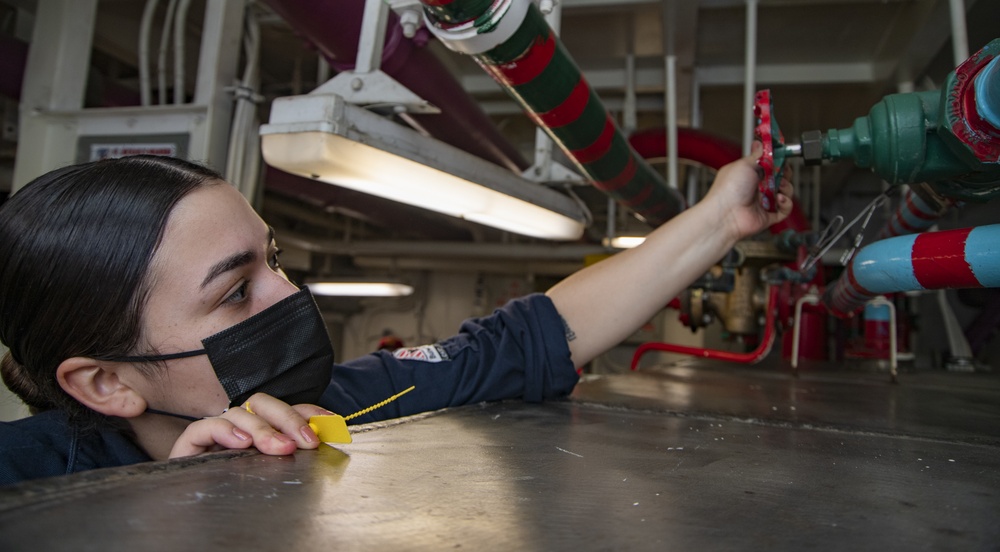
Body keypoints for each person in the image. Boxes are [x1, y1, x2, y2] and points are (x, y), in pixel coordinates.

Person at [0, 145, 792, 485]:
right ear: (106, 382)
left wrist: (721, 218)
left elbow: (531, 336)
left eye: (272, 260)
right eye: (235, 290)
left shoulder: (349, 405)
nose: (292, 295)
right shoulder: (25, 487)